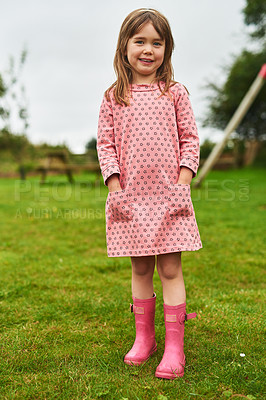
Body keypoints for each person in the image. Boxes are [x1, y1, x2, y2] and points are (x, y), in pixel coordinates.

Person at [96, 8, 202, 380]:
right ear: (125, 46)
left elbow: (190, 140)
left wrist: (183, 184)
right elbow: (105, 145)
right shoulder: (113, 97)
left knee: (170, 267)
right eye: (139, 41)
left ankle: (175, 346)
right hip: (129, 197)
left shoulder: (174, 93)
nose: (148, 49)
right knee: (140, 266)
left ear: (166, 50)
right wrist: (115, 187)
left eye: (156, 43)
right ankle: (146, 338)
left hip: (169, 196)